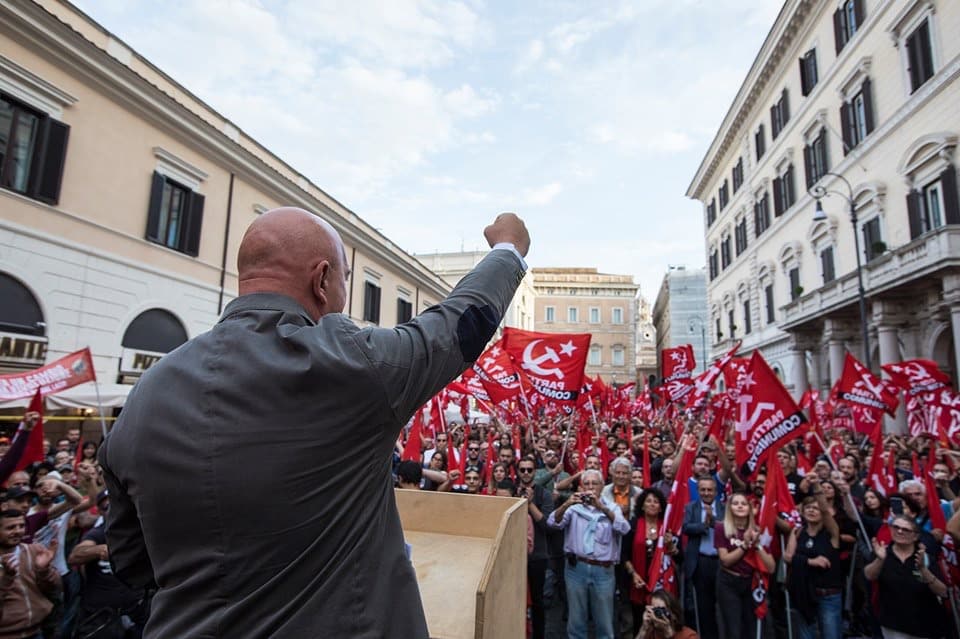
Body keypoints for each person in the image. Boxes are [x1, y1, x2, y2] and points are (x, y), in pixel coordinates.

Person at [99, 208, 530, 638]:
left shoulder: (146, 393)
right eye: (345, 278)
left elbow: (132, 561)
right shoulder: (346, 366)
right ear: (322, 280)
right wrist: (508, 249)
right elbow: (457, 328)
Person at [548, 468, 629, 639]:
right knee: (576, 622)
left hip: (603, 572)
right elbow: (553, 523)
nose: (591, 487)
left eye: (595, 483)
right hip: (576, 569)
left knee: (604, 623)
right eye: (587, 483)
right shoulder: (574, 508)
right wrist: (566, 504)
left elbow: (624, 528)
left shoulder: (612, 507)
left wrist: (602, 508)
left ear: (602, 486)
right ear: (581, 487)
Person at [864, 515, 948, 639]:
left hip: (925, 627)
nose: (899, 531)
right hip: (893, 626)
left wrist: (923, 570)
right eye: (896, 527)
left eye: (906, 529)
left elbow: (943, 591)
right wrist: (880, 560)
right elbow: (869, 576)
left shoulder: (924, 557)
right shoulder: (882, 552)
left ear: (916, 536)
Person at [783, 484, 842, 639]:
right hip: (804, 593)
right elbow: (788, 557)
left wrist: (816, 486)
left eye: (815, 508)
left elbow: (825, 511)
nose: (811, 510)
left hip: (828, 596)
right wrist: (810, 561)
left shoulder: (831, 533)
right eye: (808, 507)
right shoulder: (798, 532)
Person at [714, 492, 775, 639]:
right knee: (733, 630)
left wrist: (757, 545)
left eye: (743, 503)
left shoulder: (758, 531)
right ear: (729, 508)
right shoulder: (721, 528)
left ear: (749, 508)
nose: (740, 506)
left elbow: (771, 567)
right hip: (728, 582)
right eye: (735, 503)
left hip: (751, 583)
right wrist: (745, 546)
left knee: (752, 629)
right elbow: (725, 560)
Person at [0, 508, 62, 637]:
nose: (17, 531)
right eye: (10, 528)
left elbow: (55, 588)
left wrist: (44, 571)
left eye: (21, 526)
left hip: (38, 630)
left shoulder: (35, 551)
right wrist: (6, 579)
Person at [622, 488, 673, 636]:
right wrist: (633, 574)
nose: (652, 504)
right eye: (648, 501)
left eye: (656, 502)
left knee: (662, 621)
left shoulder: (667, 528)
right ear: (642, 506)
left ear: (661, 507)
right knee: (640, 622)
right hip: (638, 582)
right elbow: (623, 554)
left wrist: (671, 546)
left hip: (661, 583)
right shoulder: (633, 525)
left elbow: (678, 556)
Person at [681, 476, 724, 639]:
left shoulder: (724, 508)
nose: (706, 493)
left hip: (721, 562)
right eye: (703, 490)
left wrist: (712, 521)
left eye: (710, 490)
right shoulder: (691, 507)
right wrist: (704, 525)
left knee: (721, 606)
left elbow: (728, 528)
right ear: (698, 491)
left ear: (716, 491)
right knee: (703, 607)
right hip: (700, 562)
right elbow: (686, 527)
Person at [517, 456, 553, 639]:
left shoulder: (544, 494)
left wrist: (530, 504)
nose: (525, 473)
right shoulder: (512, 491)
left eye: (529, 470)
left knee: (538, 601)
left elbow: (547, 525)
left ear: (534, 472)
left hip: (537, 556)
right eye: (522, 469)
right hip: (514, 557)